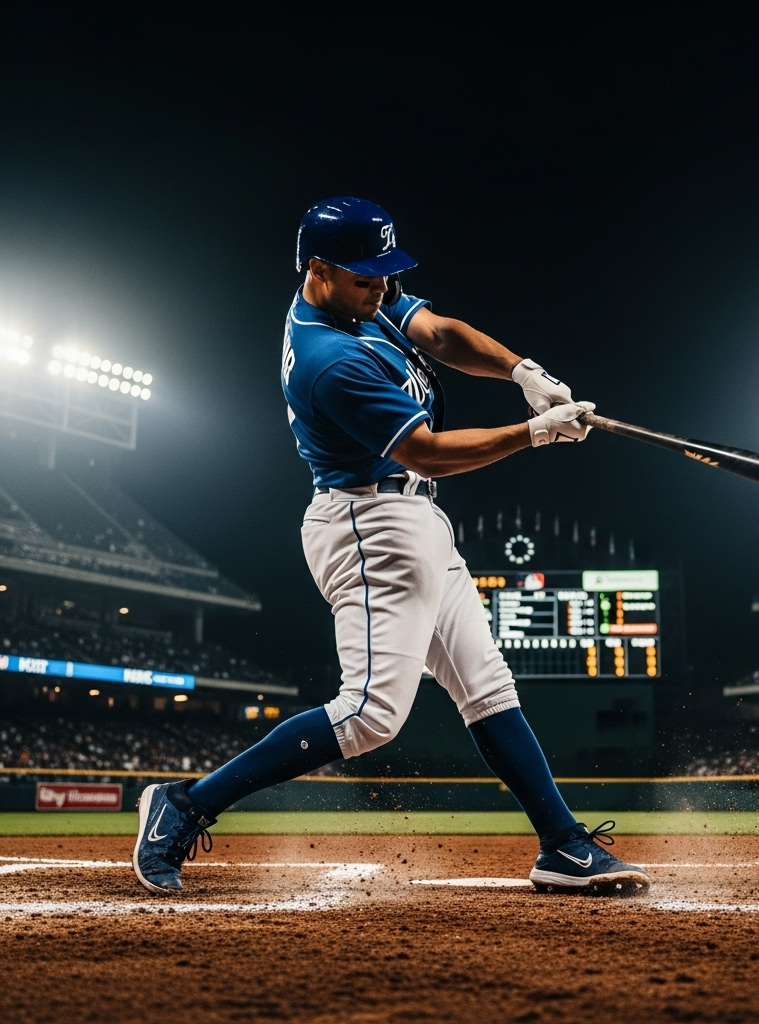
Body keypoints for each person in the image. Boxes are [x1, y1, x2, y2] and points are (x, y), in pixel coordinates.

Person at [133, 197, 650, 897]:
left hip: (415, 520)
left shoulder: (359, 299)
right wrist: (535, 433)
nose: (382, 289)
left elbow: (436, 333)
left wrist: (522, 372)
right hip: (368, 525)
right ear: (319, 269)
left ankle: (562, 844)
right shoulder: (327, 358)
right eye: (365, 278)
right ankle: (184, 805)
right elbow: (427, 452)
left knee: (488, 686)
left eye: (384, 275)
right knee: (371, 715)